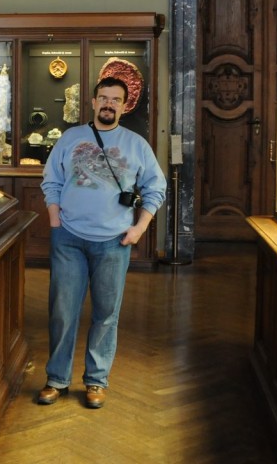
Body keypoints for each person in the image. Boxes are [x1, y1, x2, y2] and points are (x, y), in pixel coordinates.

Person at [37, 76, 167, 408]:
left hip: (113, 242)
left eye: (115, 99)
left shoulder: (136, 144)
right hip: (69, 238)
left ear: (124, 106)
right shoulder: (70, 138)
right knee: (62, 312)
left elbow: (156, 188)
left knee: (106, 314)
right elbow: (51, 180)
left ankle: (96, 380)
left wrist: (139, 229)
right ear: (94, 103)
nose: (109, 104)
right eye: (104, 98)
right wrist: (55, 221)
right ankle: (57, 378)